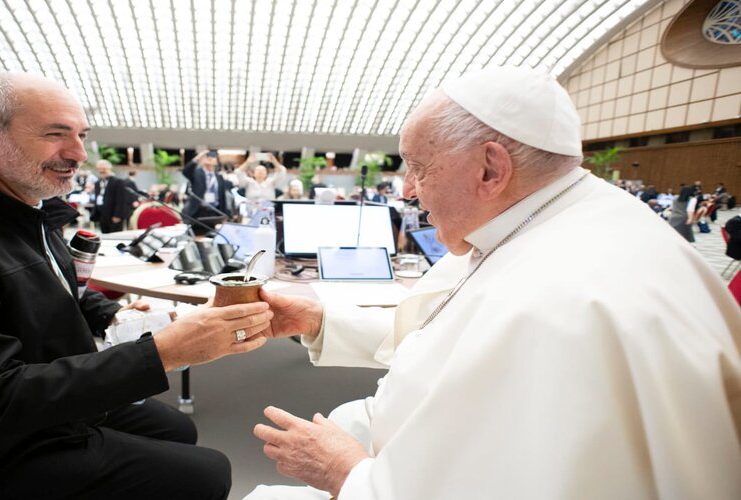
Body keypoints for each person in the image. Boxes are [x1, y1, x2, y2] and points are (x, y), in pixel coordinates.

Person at [246, 66, 741, 499]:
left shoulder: (573, 301)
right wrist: (319, 319)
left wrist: (346, 474)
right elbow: (451, 336)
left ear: (490, 168)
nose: (407, 191)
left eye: (418, 166)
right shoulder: (543, 222)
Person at [0, 72, 274, 499]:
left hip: (37, 402)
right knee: (208, 472)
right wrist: (164, 352)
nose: (78, 153)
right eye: (56, 134)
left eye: (81, 135)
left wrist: (115, 314)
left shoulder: (27, 208)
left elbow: (52, 293)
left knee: (176, 428)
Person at [182, 149, 232, 228]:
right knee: (197, 235)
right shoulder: (197, 173)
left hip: (215, 211)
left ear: (217, 161)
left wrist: (224, 216)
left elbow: (222, 198)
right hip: (198, 211)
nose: (210, 158)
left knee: (212, 236)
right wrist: (199, 157)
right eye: (207, 156)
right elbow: (186, 171)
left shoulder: (219, 177)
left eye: (213, 156)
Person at [92, 159, 130, 233]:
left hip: (113, 215)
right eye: (99, 169)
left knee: (115, 235)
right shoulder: (97, 182)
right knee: (104, 234)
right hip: (101, 214)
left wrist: (118, 215)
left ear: (109, 168)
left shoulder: (118, 182)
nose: (101, 170)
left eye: (103, 168)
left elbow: (121, 199)